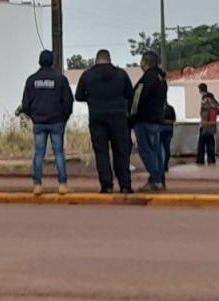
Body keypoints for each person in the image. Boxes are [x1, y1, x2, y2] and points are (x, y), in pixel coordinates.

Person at [75, 49, 134, 194]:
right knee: (121, 151)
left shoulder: (87, 75)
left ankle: (106, 185)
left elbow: (78, 96)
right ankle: (125, 185)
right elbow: (130, 94)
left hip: (97, 116)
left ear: (96, 59)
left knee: (101, 152)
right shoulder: (121, 74)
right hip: (118, 117)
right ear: (109, 59)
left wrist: (92, 99)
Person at [20, 50, 74, 195]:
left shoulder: (32, 80)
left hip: (39, 122)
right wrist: (64, 117)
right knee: (58, 153)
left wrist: (34, 116)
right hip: (57, 121)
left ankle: (37, 185)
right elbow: (68, 101)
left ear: (39, 61)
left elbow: (25, 104)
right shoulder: (60, 80)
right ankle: (62, 185)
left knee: (39, 153)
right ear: (53, 62)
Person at [129, 51, 168, 192]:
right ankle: (158, 180)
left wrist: (131, 117)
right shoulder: (161, 78)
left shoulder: (147, 79)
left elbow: (137, 99)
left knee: (147, 151)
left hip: (144, 120)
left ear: (145, 63)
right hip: (157, 119)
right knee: (157, 151)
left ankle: (156, 180)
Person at [197, 83, 218, 165]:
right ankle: (211, 159)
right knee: (210, 142)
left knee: (202, 143)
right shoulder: (213, 99)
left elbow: (205, 113)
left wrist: (203, 124)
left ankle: (201, 160)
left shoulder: (206, 99)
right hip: (212, 125)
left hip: (206, 125)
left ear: (201, 90)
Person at [161, 102, 176, 174]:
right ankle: (166, 165)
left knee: (160, 148)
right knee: (167, 147)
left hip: (161, 129)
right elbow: (174, 119)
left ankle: (161, 165)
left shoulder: (159, 108)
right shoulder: (171, 108)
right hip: (169, 129)